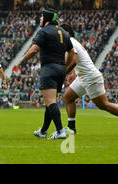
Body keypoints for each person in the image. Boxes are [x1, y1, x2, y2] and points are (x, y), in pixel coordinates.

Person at [61, 24, 118, 136]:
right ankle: (71, 127)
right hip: (83, 76)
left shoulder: (71, 42)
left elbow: (74, 61)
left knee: (103, 105)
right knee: (68, 97)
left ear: (67, 33)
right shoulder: (72, 43)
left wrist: (63, 73)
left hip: (90, 77)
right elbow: (79, 60)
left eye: (61, 32)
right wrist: (74, 74)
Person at [18, 8, 75, 140]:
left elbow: (34, 49)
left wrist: (22, 60)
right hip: (61, 70)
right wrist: (64, 66)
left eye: (42, 17)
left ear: (47, 19)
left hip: (49, 68)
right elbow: (72, 53)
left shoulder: (43, 31)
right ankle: (43, 131)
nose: (40, 19)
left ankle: (60, 131)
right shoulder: (64, 33)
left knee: (50, 101)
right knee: (51, 102)